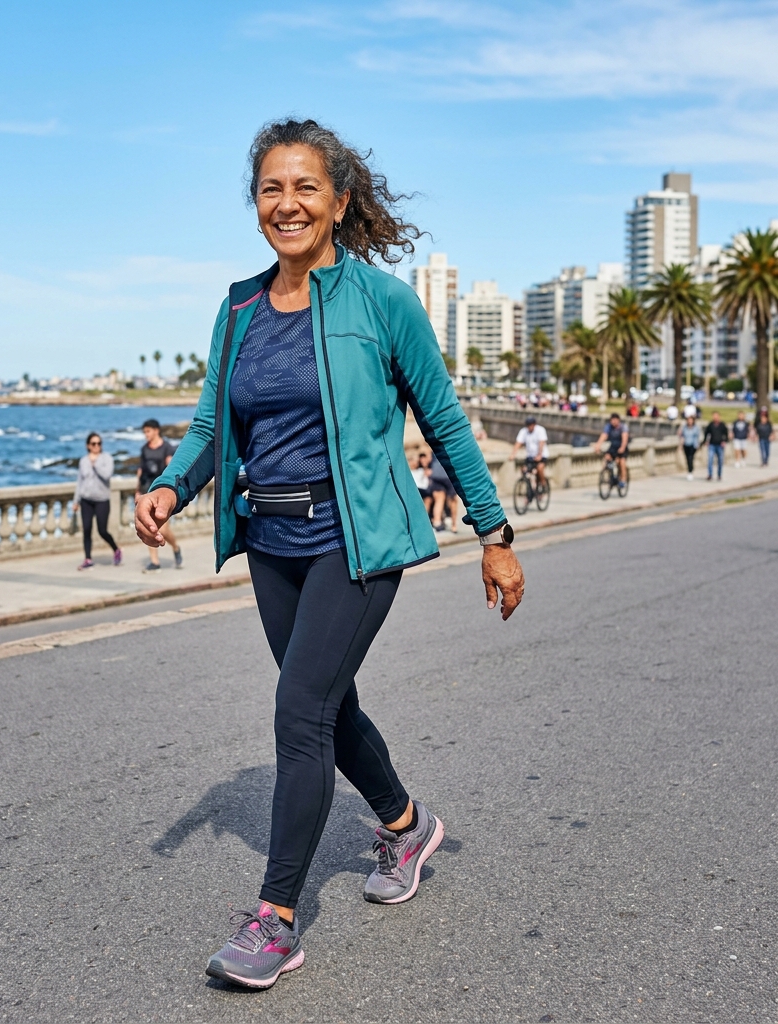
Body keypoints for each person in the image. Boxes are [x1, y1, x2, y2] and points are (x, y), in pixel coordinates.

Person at [134, 118, 525, 991]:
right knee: (327, 706)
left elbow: (444, 420)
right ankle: (407, 826)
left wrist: (494, 536)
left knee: (298, 709)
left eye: (306, 187)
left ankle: (275, 920)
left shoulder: (381, 301)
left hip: (356, 539)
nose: (288, 203)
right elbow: (211, 427)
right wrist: (169, 488)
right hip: (270, 540)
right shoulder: (239, 306)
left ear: (340, 202)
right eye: (271, 188)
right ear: (255, 203)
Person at [136, 418, 182, 572]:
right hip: (147, 491)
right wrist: (137, 491)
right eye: (144, 432)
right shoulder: (144, 449)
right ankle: (154, 562)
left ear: (156, 430)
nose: (146, 435)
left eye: (148, 431)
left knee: (163, 529)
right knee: (149, 526)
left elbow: (171, 466)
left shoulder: (167, 447)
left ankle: (175, 547)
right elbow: (140, 471)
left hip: (162, 492)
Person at [71, 432, 121, 568]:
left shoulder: (107, 458)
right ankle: (88, 559)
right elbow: (79, 482)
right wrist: (76, 501)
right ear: (88, 445)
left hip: (102, 500)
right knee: (86, 529)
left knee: (102, 530)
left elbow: (107, 475)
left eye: (99, 443)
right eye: (93, 444)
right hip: (86, 500)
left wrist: (95, 464)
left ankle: (116, 549)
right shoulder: (83, 461)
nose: (96, 446)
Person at [511, 415, 548, 486]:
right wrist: (513, 454)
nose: (529, 427)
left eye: (531, 425)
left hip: (542, 456)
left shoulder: (540, 430)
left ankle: (543, 484)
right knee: (524, 470)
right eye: (528, 425)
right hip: (530, 456)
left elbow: (541, 443)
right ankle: (529, 487)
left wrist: (539, 454)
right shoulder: (523, 431)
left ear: (534, 424)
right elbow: (518, 443)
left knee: (539, 469)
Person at [594, 412, 629, 485]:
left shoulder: (623, 427)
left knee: (621, 462)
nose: (614, 422)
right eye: (612, 420)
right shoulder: (609, 426)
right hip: (613, 446)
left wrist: (622, 448)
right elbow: (604, 435)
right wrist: (598, 445)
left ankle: (623, 479)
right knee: (607, 457)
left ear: (618, 420)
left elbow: (624, 439)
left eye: (615, 420)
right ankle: (610, 474)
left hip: (621, 446)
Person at [429, 454, 459, 532]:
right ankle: (454, 525)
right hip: (449, 474)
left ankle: (437, 523)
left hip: (436, 474)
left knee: (439, 500)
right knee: (453, 500)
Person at [702, 411, 729, 481]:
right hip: (712, 444)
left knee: (720, 461)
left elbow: (726, 434)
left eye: (716, 416)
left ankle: (719, 475)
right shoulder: (710, 425)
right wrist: (705, 441)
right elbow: (706, 433)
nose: (715, 418)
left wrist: (724, 441)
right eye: (714, 416)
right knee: (710, 459)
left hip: (720, 445)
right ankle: (710, 474)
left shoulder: (722, 425)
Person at [677, 415, 701, 480]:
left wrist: (698, 445)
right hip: (686, 444)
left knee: (690, 457)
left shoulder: (696, 428)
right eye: (688, 420)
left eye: (691, 420)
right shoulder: (684, 427)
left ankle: (690, 471)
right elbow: (681, 436)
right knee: (687, 458)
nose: (690, 421)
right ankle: (690, 469)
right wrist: (680, 445)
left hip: (693, 445)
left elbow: (698, 436)